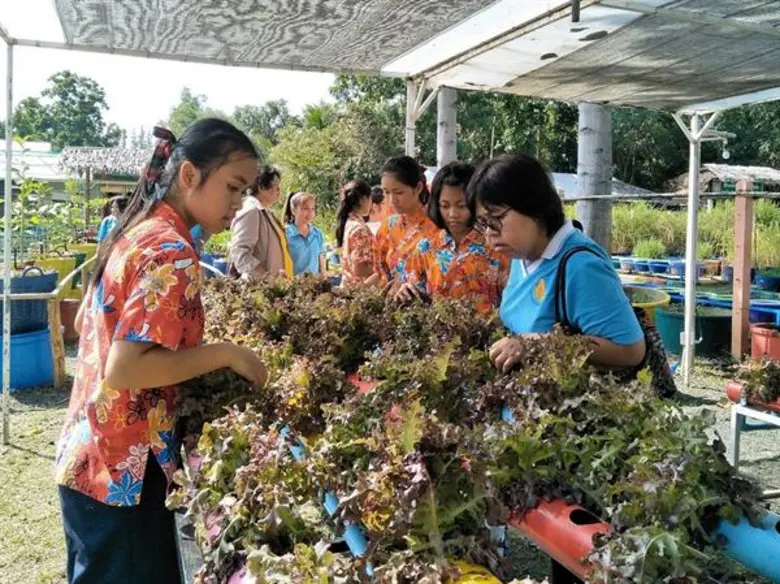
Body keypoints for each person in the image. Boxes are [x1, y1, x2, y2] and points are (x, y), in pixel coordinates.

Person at [56, 120, 269, 584]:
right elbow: (126, 368)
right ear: (189, 175)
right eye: (232, 188)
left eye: (245, 191)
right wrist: (227, 353)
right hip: (124, 474)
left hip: (88, 457)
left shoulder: (136, 231)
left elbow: (81, 324)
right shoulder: (172, 248)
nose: (238, 205)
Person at [468, 153, 646, 373]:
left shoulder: (581, 266)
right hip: (524, 403)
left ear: (532, 205)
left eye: (495, 218)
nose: (488, 232)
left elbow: (630, 350)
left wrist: (535, 344)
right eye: (483, 223)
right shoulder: (521, 254)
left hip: (565, 404)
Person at [394, 162, 507, 313]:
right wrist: (404, 291)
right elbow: (409, 290)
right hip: (438, 335)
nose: (453, 214)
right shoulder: (426, 248)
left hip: (492, 334)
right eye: (445, 206)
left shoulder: (496, 247)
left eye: (461, 205)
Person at [372, 156, 438, 286]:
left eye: (398, 192)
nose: (391, 200)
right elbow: (380, 275)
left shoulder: (437, 228)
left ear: (418, 188)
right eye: (386, 192)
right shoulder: (387, 227)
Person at [228, 165, 293, 279]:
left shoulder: (263, 211)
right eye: (276, 186)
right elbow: (239, 252)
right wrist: (266, 277)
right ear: (261, 187)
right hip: (260, 290)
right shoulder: (251, 211)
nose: (278, 191)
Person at [336, 180, 375, 286]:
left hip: (348, 286)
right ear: (363, 200)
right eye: (371, 198)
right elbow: (359, 268)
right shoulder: (359, 229)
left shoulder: (349, 222)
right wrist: (383, 268)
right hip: (358, 289)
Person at [283, 191, 326, 275]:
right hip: (293, 286)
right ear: (293, 210)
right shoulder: (285, 234)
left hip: (315, 286)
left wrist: (325, 283)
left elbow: (322, 265)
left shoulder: (317, 234)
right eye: (305, 208)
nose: (310, 213)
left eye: (312, 208)